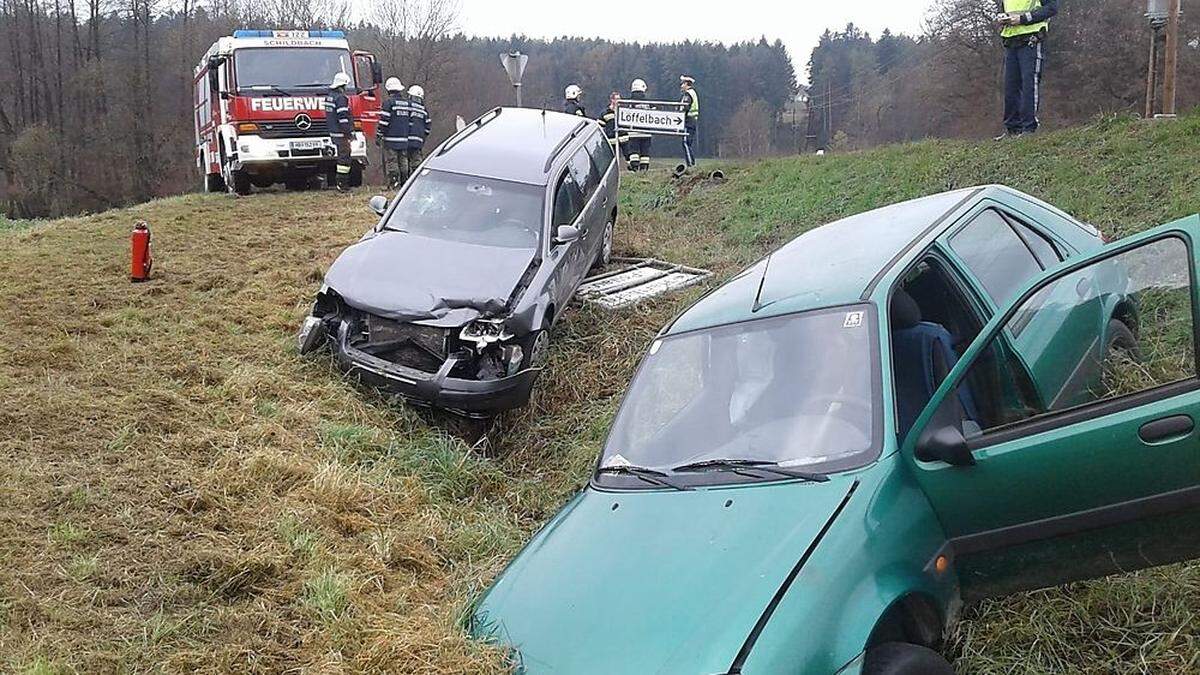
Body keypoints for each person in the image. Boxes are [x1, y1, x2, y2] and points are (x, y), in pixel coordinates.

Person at [995, 0, 1059, 139]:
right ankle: (1012, 130)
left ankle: (1030, 129)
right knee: (1010, 87)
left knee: (1029, 83)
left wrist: (1022, 19)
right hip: (1010, 39)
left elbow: (1052, 8)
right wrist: (1002, 18)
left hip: (1032, 39)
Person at [376, 77, 410, 189]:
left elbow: (384, 121)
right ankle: (405, 183)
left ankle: (394, 183)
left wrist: (379, 133)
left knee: (392, 161)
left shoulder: (388, 103)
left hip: (391, 139)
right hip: (404, 138)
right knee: (403, 161)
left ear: (388, 90)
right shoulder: (406, 103)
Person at [323, 71, 355, 192]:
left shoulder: (329, 97)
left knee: (340, 157)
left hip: (334, 132)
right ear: (342, 86)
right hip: (342, 134)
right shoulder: (341, 98)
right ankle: (342, 184)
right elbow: (343, 117)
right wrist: (349, 132)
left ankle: (339, 183)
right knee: (344, 159)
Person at [627, 79, 652, 171]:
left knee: (634, 151)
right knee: (645, 152)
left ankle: (634, 168)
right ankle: (644, 169)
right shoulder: (648, 103)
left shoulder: (629, 103)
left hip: (633, 132)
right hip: (646, 132)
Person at [406, 85, 432, 173]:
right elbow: (428, 127)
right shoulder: (424, 110)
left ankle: (405, 181)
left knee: (405, 161)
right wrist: (422, 137)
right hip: (418, 141)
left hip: (407, 139)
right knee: (416, 162)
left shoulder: (408, 107)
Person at [679, 75, 699, 168]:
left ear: (687, 84)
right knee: (688, 143)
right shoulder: (692, 93)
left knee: (686, 143)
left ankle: (690, 165)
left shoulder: (688, 94)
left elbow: (685, 108)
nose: (681, 86)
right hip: (692, 121)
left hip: (688, 121)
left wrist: (679, 115)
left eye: (682, 84)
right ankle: (691, 164)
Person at [598, 91, 628, 156]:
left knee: (628, 157)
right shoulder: (605, 113)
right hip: (611, 140)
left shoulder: (623, 112)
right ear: (612, 100)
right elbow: (600, 127)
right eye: (617, 99)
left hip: (624, 139)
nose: (619, 101)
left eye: (620, 99)